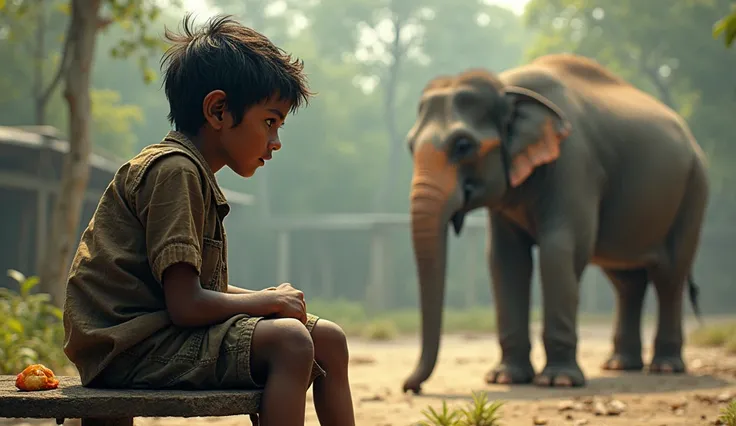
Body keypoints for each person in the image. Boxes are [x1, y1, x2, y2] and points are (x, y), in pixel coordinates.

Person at [62, 13, 356, 426]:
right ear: (218, 110)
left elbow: (192, 288)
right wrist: (268, 302)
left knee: (328, 337)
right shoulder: (176, 171)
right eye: (269, 122)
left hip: (155, 333)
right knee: (290, 340)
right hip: (128, 347)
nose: (276, 142)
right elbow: (186, 304)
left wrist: (266, 299)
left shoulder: (191, 172)